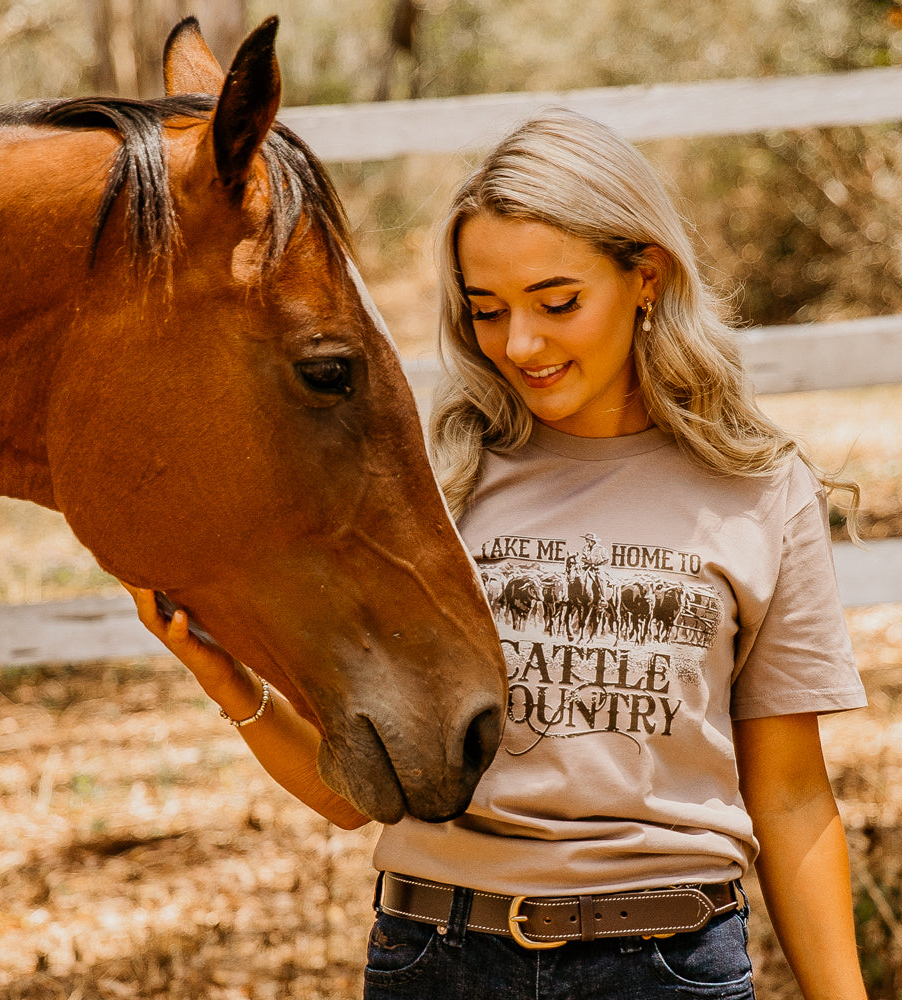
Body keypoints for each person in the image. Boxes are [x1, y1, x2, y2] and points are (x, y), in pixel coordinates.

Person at [125, 108, 868, 1000]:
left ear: (646, 278)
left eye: (558, 304)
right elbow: (352, 793)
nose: (521, 345)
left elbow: (789, 798)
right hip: (438, 957)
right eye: (488, 311)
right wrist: (226, 682)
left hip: (668, 965)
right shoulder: (431, 485)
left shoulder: (758, 488)